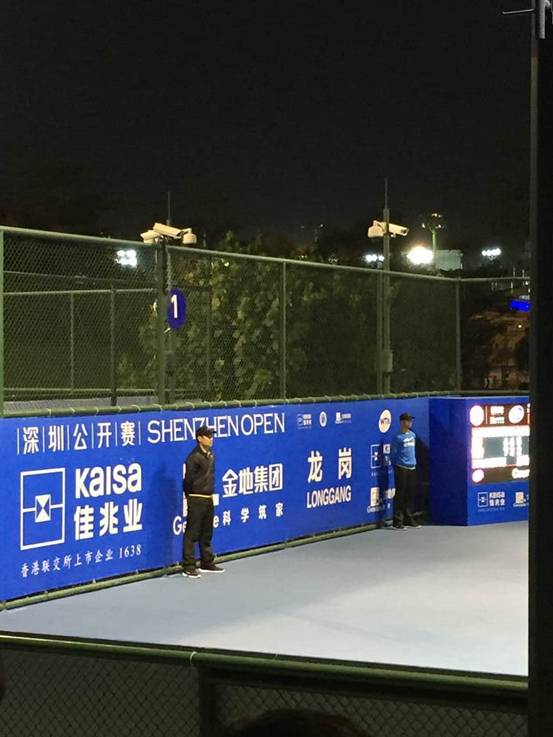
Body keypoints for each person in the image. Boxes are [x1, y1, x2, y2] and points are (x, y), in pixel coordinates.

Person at [182, 425, 224, 577]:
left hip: (208, 498)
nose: (211, 439)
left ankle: (207, 562)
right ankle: (189, 566)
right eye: (208, 436)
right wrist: (191, 495)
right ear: (199, 438)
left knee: (207, 533)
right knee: (192, 533)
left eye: (212, 436)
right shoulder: (193, 457)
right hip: (196, 498)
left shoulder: (211, 454)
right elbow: (188, 480)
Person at [389, 411, 421, 529]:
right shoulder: (398, 438)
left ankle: (409, 518)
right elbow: (393, 455)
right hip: (401, 468)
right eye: (408, 420)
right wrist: (397, 466)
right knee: (400, 494)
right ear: (402, 422)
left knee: (410, 494)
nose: (410, 422)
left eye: (411, 420)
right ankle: (397, 521)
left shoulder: (413, 435)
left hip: (412, 468)